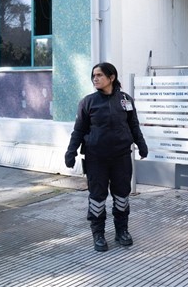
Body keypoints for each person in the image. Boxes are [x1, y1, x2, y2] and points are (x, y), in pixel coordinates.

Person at [64, 62, 148, 252]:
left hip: (121, 157)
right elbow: (79, 131)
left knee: (122, 195)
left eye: (99, 75)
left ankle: (122, 231)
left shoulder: (125, 100)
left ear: (111, 77)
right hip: (96, 159)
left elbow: (134, 125)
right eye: (93, 75)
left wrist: (141, 145)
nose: (95, 78)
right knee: (97, 197)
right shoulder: (88, 102)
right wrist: (71, 152)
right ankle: (98, 234)